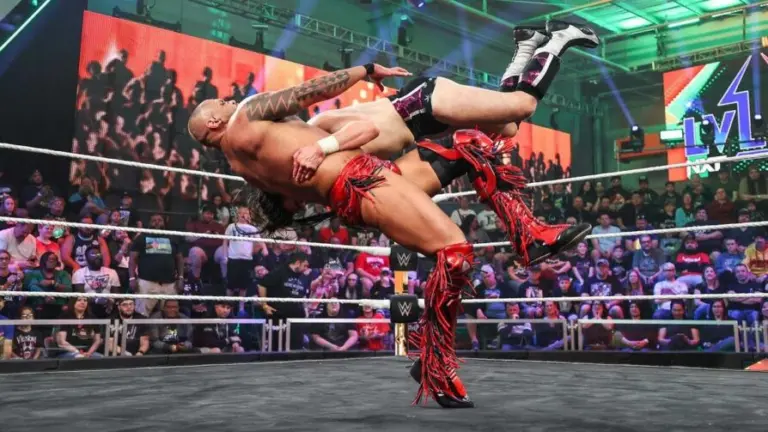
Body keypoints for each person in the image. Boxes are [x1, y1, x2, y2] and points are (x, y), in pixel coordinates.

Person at [188, 62, 475, 407]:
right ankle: (435, 363)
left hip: (351, 199)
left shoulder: (242, 167)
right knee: (455, 254)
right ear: (213, 121)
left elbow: (289, 204)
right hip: (363, 180)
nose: (229, 101)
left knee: (464, 162)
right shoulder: (246, 115)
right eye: (221, 103)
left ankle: (435, 356)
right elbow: (309, 92)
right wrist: (365, 70)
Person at [298, 21, 598, 264]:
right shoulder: (333, 171)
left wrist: (319, 148)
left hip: (418, 104)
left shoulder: (315, 132)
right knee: (507, 128)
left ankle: (560, 38)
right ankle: (527, 44)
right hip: (420, 123)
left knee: (523, 105)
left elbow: (366, 129)